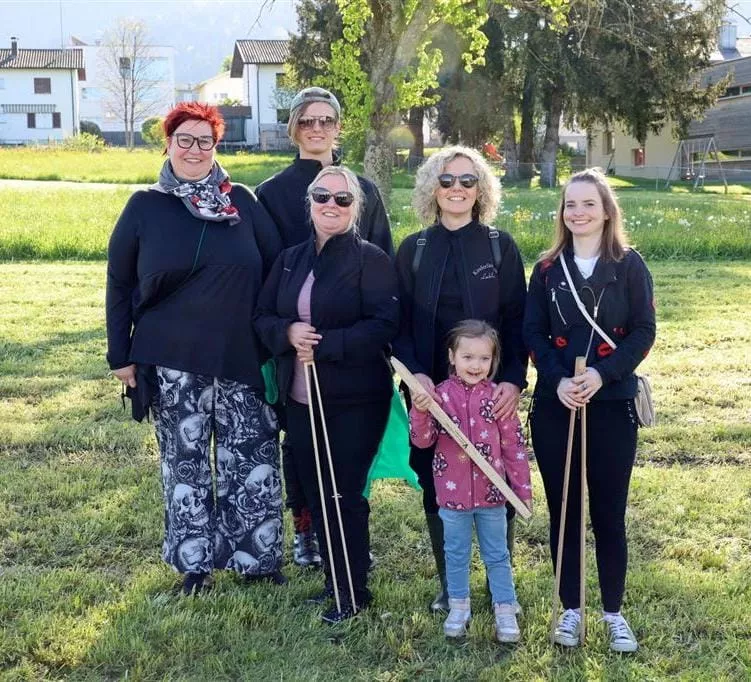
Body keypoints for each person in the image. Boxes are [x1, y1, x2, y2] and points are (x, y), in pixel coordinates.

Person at [106, 102, 284, 596]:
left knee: (252, 458)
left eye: (205, 140)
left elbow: (275, 273)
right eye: (184, 139)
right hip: (172, 359)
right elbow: (119, 281)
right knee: (185, 464)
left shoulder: (243, 202)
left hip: (242, 355)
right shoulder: (145, 205)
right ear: (167, 144)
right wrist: (120, 354)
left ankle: (256, 558)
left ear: (217, 146)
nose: (194, 149)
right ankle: (195, 565)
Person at [254, 166, 399, 623]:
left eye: (342, 199)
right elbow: (261, 317)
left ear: (356, 207)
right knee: (317, 493)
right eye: (322, 197)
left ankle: (353, 590)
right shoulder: (290, 259)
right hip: (299, 399)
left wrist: (327, 345)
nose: (330, 206)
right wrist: (287, 330)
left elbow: (384, 324)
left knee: (343, 494)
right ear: (309, 203)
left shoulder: (371, 259)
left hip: (355, 399)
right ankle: (335, 581)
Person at [523, 168, 655, 653]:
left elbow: (644, 331)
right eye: (569, 204)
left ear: (606, 211)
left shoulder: (630, 265)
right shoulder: (546, 269)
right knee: (564, 508)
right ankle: (570, 609)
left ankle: (613, 613)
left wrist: (601, 375)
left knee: (608, 512)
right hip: (556, 405)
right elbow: (532, 331)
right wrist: (558, 380)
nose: (577, 213)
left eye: (588, 204)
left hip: (612, 403)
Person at [393, 145, 527, 613]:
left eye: (467, 181)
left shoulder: (499, 246)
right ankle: (451, 585)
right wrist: (417, 381)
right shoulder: (414, 249)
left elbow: (517, 320)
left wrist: (512, 380)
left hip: (493, 395)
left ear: (481, 189)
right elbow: (400, 325)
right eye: (447, 180)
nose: (456, 189)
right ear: (433, 187)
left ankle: (499, 584)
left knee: (497, 481)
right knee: (437, 483)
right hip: (432, 397)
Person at [409, 320, 532, 642]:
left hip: (493, 496)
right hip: (452, 495)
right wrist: (420, 410)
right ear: (452, 356)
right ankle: (458, 605)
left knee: (497, 554)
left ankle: (505, 606)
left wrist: (523, 493)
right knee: (456, 552)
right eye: (467, 357)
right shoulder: (439, 397)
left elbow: (514, 449)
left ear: (493, 360)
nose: (475, 365)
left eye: (484, 359)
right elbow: (422, 441)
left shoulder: (498, 398)